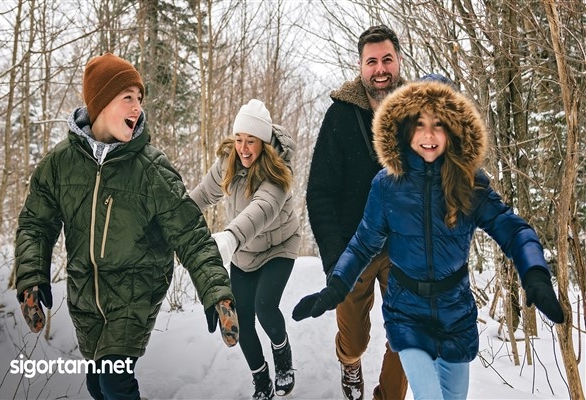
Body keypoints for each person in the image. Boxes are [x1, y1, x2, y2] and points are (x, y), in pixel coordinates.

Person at [293, 78, 565, 400]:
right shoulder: (386, 185)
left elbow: (513, 229)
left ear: (453, 130)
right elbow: (364, 242)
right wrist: (337, 286)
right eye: (419, 123)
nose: (429, 135)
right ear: (406, 129)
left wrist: (534, 272)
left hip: (456, 314)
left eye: (439, 125)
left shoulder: (469, 184)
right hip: (406, 313)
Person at [14, 52, 239, 400]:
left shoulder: (151, 168)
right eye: (127, 97)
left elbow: (190, 233)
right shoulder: (59, 165)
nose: (137, 107)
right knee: (97, 385)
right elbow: (35, 224)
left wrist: (217, 293)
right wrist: (31, 277)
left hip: (137, 288)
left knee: (114, 380)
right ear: (101, 102)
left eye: (140, 98)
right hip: (85, 295)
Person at [304, 24, 408, 400]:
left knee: (407, 336)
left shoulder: (419, 113)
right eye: (371, 62)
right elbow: (319, 193)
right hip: (355, 249)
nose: (380, 69)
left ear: (398, 61)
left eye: (386, 59)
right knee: (355, 339)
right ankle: (349, 363)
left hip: (405, 251)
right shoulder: (340, 116)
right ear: (360, 67)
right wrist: (335, 260)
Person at [189, 99, 300, 400]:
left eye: (251, 141)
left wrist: (228, 237)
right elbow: (201, 195)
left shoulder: (279, 172)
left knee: (265, 306)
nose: (244, 148)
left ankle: (283, 354)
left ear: (263, 142)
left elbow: (261, 210)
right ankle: (261, 378)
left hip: (278, 247)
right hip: (244, 253)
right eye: (239, 139)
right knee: (242, 324)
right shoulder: (228, 161)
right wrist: (173, 217)